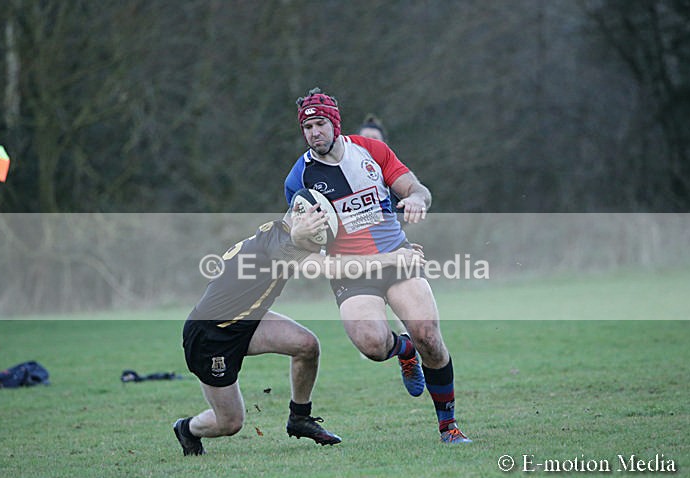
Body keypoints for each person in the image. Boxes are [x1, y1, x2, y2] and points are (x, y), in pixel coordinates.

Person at [284, 88, 472, 444]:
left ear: (335, 124)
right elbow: (297, 239)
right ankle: (404, 351)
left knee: (429, 335)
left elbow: (416, 187)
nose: (314, 133)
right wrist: (299, 231)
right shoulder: (300, 178)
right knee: (372, 345)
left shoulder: (372, 151)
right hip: (352, 273)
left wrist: (416, 198)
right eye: (307, 127)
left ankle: (448, 427)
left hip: (398, 258)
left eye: (320, 123)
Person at [173, 209, 424, 455]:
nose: (320, 243)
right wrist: (393, 259)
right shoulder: (284, 246)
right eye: (319, 235)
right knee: (230, 423)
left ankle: (299, 418)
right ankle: (187, 429)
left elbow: (340, 255)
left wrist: (397, 250)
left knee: (306, 345)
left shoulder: (282, 236)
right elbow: (333, 268)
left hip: (248, 320)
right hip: (211, 335)